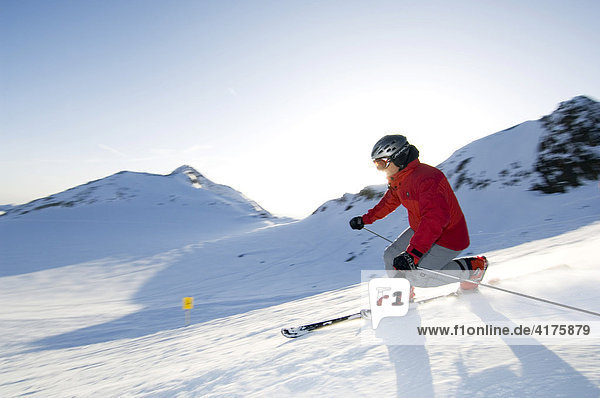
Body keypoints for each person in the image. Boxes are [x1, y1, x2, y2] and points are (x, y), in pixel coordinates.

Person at [349, 134, 488, 295]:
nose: (379, 169)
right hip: (422, 229)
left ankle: (474, 268)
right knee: (390, 256)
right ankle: (402, 295)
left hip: (448, 236)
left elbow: (435, 220)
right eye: (376, 164)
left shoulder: (427, 178)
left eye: (382, 163)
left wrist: (412, 254)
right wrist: (365, 220)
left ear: (398, 157)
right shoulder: (399, 179)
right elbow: (389, 202)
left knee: (418, 276)